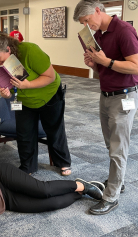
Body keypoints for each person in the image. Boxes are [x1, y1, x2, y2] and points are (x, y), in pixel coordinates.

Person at [73, 0, 138, 215]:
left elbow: (136, 67)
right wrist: (94, 64)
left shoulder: (124, 31)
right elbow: (104, 70)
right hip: (105, 94)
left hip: (124, 96)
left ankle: (111, 197)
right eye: (83, 23)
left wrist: (106, 61)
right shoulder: (97, 35)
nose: (86, 25)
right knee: (111, 145)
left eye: (87, 20)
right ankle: (117, 181)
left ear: (98, 11)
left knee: (118, 148)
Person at [0, 34, 72, 176]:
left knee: (54, 130)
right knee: (24, 133)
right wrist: (6, 93)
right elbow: (11, 86)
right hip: (24, 100)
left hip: (49, 95)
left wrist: (28, 85)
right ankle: (28, 166)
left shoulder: (30, 51)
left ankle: (63, 162)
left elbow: (50, 77)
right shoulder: (3, 64)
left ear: (8, 49)